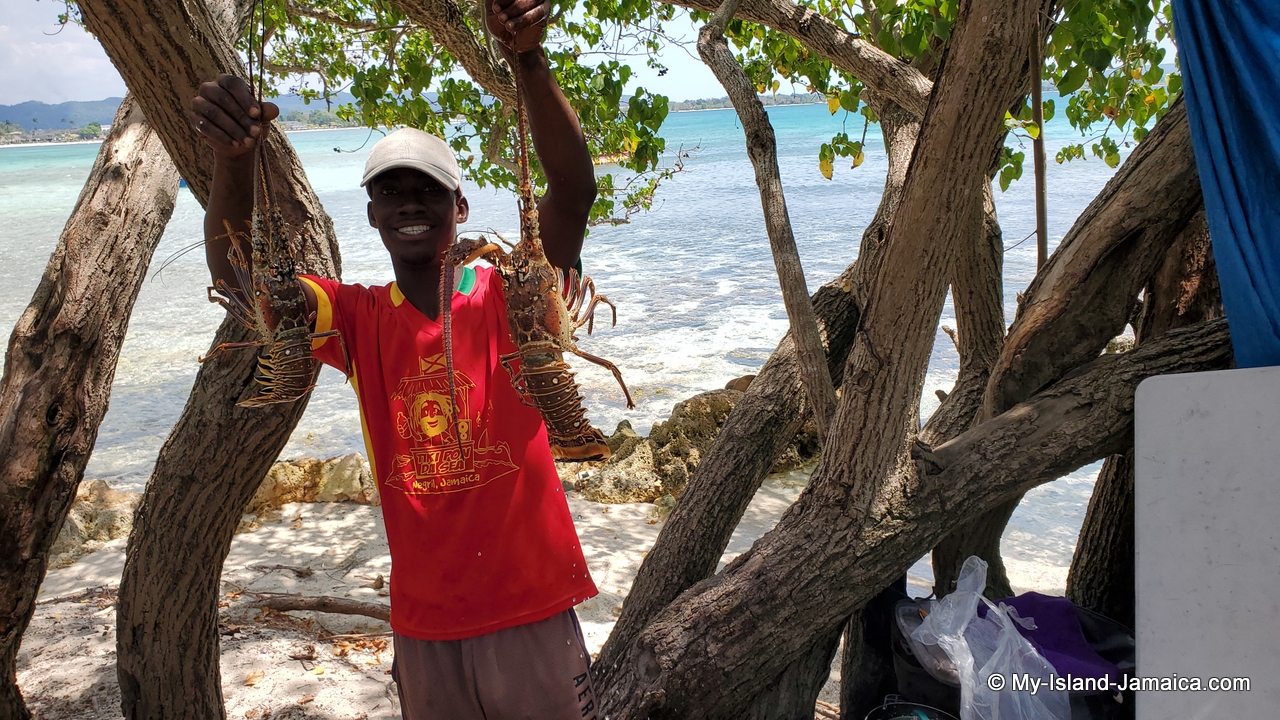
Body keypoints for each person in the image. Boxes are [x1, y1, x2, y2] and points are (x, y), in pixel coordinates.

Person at [190, 0, 601, 716]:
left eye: (428, 189)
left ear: (461, 207)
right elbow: (237, 282)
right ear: (373, 213)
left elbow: (572, 192)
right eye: (390, 190)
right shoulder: (354, 317)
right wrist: (235, 161)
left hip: (534, 605)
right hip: (424, 621)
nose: (409, 202)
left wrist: (528, 61)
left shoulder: (509, 295)